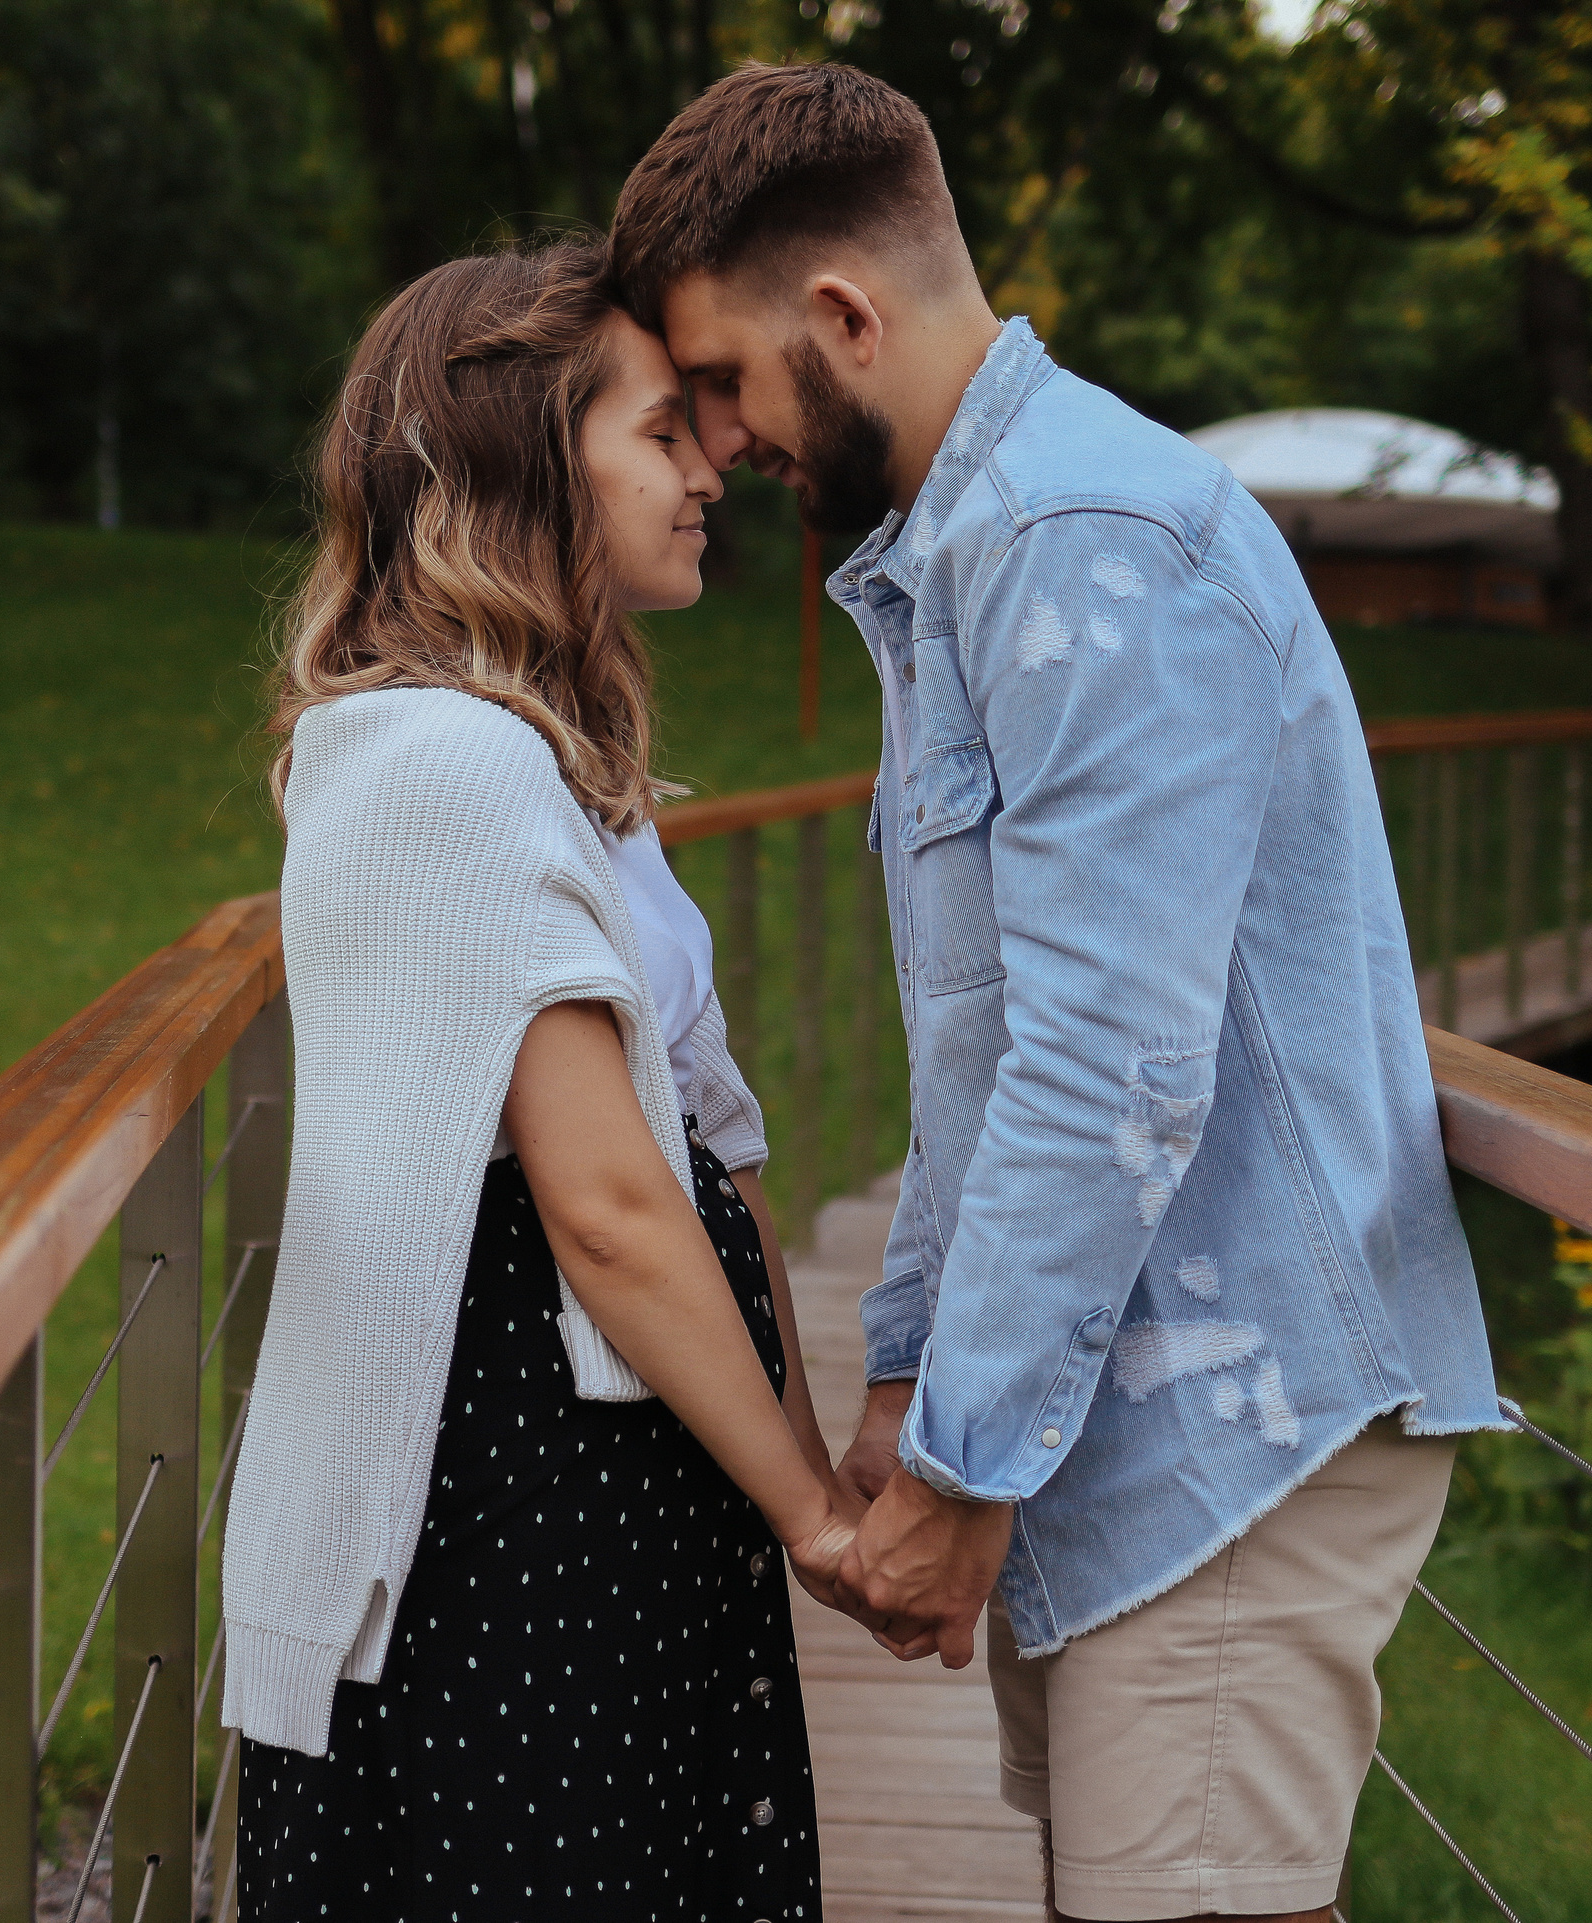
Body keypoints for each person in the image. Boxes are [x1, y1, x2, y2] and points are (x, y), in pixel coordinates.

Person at [610, 64, 1506, 1923]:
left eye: (722, 379)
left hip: (1235, 1434)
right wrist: (913, 1378)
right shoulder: (968, 558)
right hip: (1117, 1422)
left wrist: (957, 1468)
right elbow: (992, 1042)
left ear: (844, 315)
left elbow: (1114, 1069)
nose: (716, 440)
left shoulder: (1081, 543)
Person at [219, 236, 859, 1921]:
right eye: (659, 431)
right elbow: (610, 1204)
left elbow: (705, 1147)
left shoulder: (550, 769)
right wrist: (813, 1516)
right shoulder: (446, 764)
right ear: (523, 462)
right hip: (517, 1524)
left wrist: (792, 1462)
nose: (709, 467)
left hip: (619, 1473)